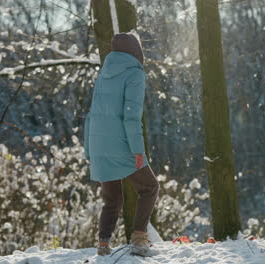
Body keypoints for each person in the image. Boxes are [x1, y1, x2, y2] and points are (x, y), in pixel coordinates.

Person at [83, 33, 159, 257]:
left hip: (98, 142)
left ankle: (103, 245)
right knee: (149, 187)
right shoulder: (134, 73)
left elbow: (91, 114)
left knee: (112, 198)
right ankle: (138, 239)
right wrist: (137, 150)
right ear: (136, 52)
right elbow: (131, 117)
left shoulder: (103, 73)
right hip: (121, 143)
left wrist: (89, 149)